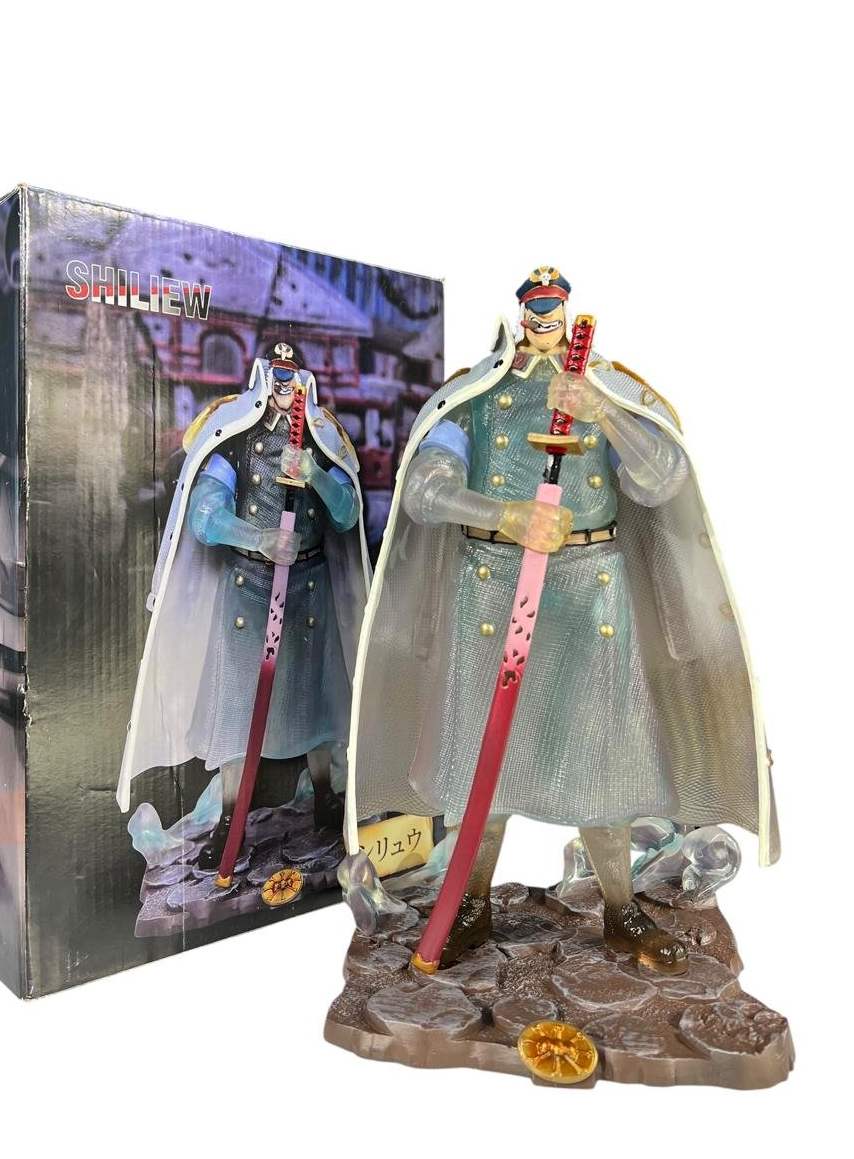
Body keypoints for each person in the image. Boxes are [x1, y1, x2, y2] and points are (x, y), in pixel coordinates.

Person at [346, 268, 777, 973]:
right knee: (482, 762)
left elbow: (662, 478)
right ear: (520, 314)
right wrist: (503, 514)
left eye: (554, 306)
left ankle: (621, 909)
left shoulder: (607, 389)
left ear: (568, 312)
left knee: (599, 761)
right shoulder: (477, 397)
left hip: (591, 590)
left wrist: (604, 414)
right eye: (534, 306)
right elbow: (424, 488)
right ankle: (471, 905)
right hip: (492, 590)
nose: (544, 316)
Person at [118, 342, 370, 869]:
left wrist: (316, 475)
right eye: (277, 377)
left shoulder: (323, 441)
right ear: (264, 379)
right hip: (249, 587)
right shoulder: (236, 442)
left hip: (308, 590)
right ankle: (230, 818)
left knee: (315, 703)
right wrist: (257, 538)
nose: (285, 388)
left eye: (292, 377)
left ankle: (325, 796)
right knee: (235, 712)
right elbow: (204, 515)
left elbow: (347, 514)